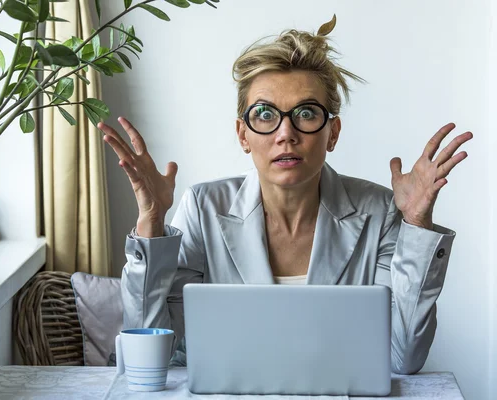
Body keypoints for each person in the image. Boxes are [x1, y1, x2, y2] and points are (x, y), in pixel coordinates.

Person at [99, 17, 472, 375]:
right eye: (264, 114)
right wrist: (150, 221)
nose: (286, 134)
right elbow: (150, 352)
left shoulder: (379, 210)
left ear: (333, 132)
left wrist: (416, 224)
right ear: (243, 135)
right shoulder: (203, 207)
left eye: (306, 113)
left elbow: (404, 357)